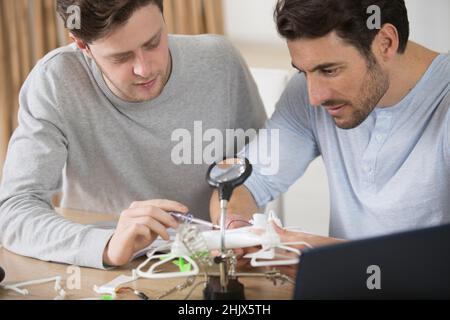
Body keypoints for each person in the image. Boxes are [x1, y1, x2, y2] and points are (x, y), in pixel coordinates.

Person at [0, 0, 266, 268]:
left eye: (152, 43)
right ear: (83, 46)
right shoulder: (55, 81)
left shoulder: (220, 61)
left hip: (209, 265)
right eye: (121, 57)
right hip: (102, 274)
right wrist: (105, 245)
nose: (144, 69)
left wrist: (239, 224)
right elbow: (14, 210)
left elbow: (260, 169)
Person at [210, 0, 450, 254]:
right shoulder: (307, 94)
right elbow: (245, 181)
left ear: (385, 43)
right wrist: (236, 227)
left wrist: (311, 250)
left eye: (329, 70)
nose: (314, 97)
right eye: (304, 72)